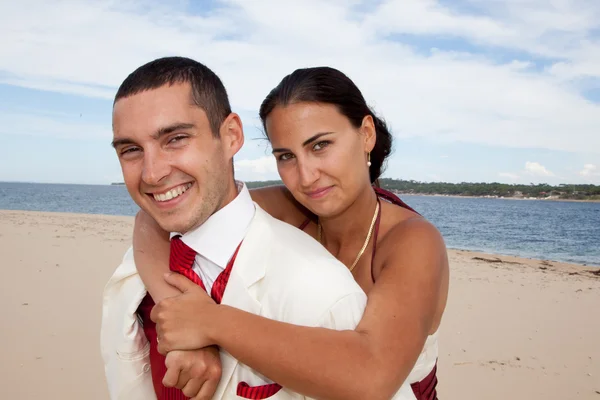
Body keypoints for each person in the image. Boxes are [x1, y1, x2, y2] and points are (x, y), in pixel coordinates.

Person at [136, 66, 449, 400]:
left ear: (366, 134)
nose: (306, 176)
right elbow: (156, 218)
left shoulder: (412, 241)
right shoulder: (290, 207)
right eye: (286, 156)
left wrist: (211, 323)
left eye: (320, 146)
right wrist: (180, 319)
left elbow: (372, 376)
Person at [100, 57, 371, 400]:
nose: (151, 174)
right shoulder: (137, 264)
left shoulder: (322, 291)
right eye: (131, 150)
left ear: (231, 136)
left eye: (176, 138)